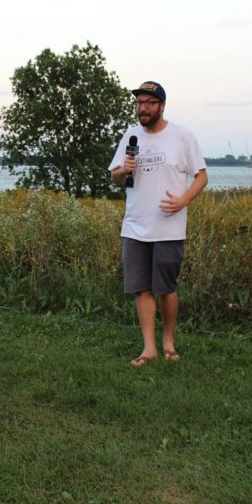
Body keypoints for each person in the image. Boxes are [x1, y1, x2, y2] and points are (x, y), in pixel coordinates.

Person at [108, 81, 207, 367]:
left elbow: (201, 176)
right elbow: (115, 176)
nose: (143, 108)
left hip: (168, 225)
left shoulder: (182, 136)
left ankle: (169, 342)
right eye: (140, 103)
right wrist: (122, 171)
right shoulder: (130, 136)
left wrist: (183, 200)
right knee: (142, 288)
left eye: (149, 103)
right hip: (136, 225)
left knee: (167, 288)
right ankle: (148, 347)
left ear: (162, 106)